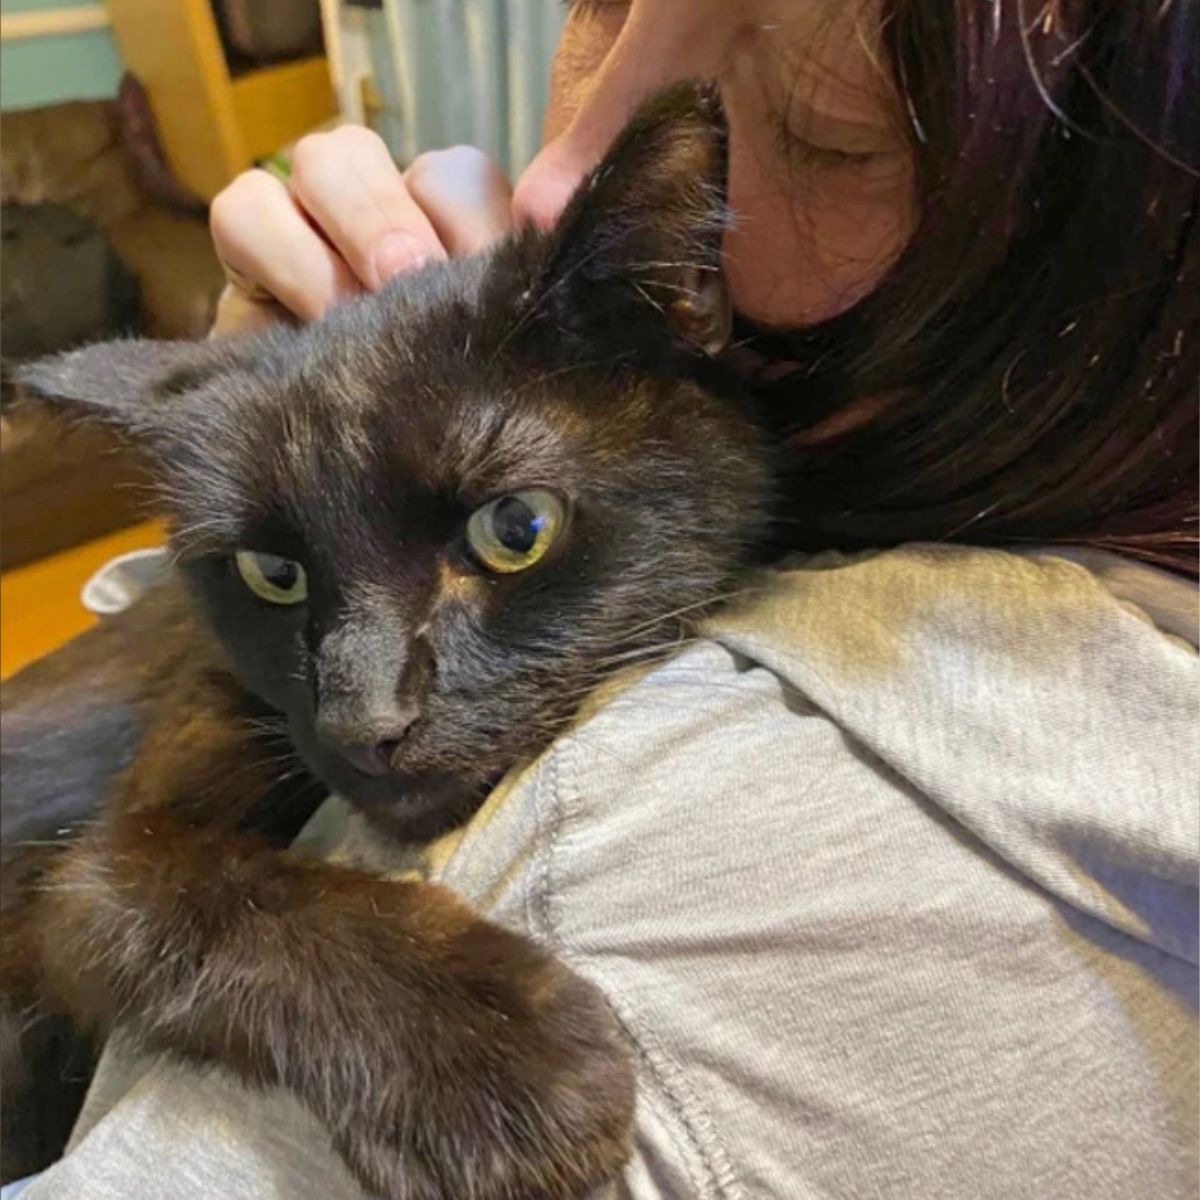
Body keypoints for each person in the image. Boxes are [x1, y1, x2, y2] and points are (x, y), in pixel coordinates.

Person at [16, 2, 1197, 1198]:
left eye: (823, 125)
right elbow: (111, 883)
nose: (365, 720)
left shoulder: (610, 869)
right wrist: (270, 437)